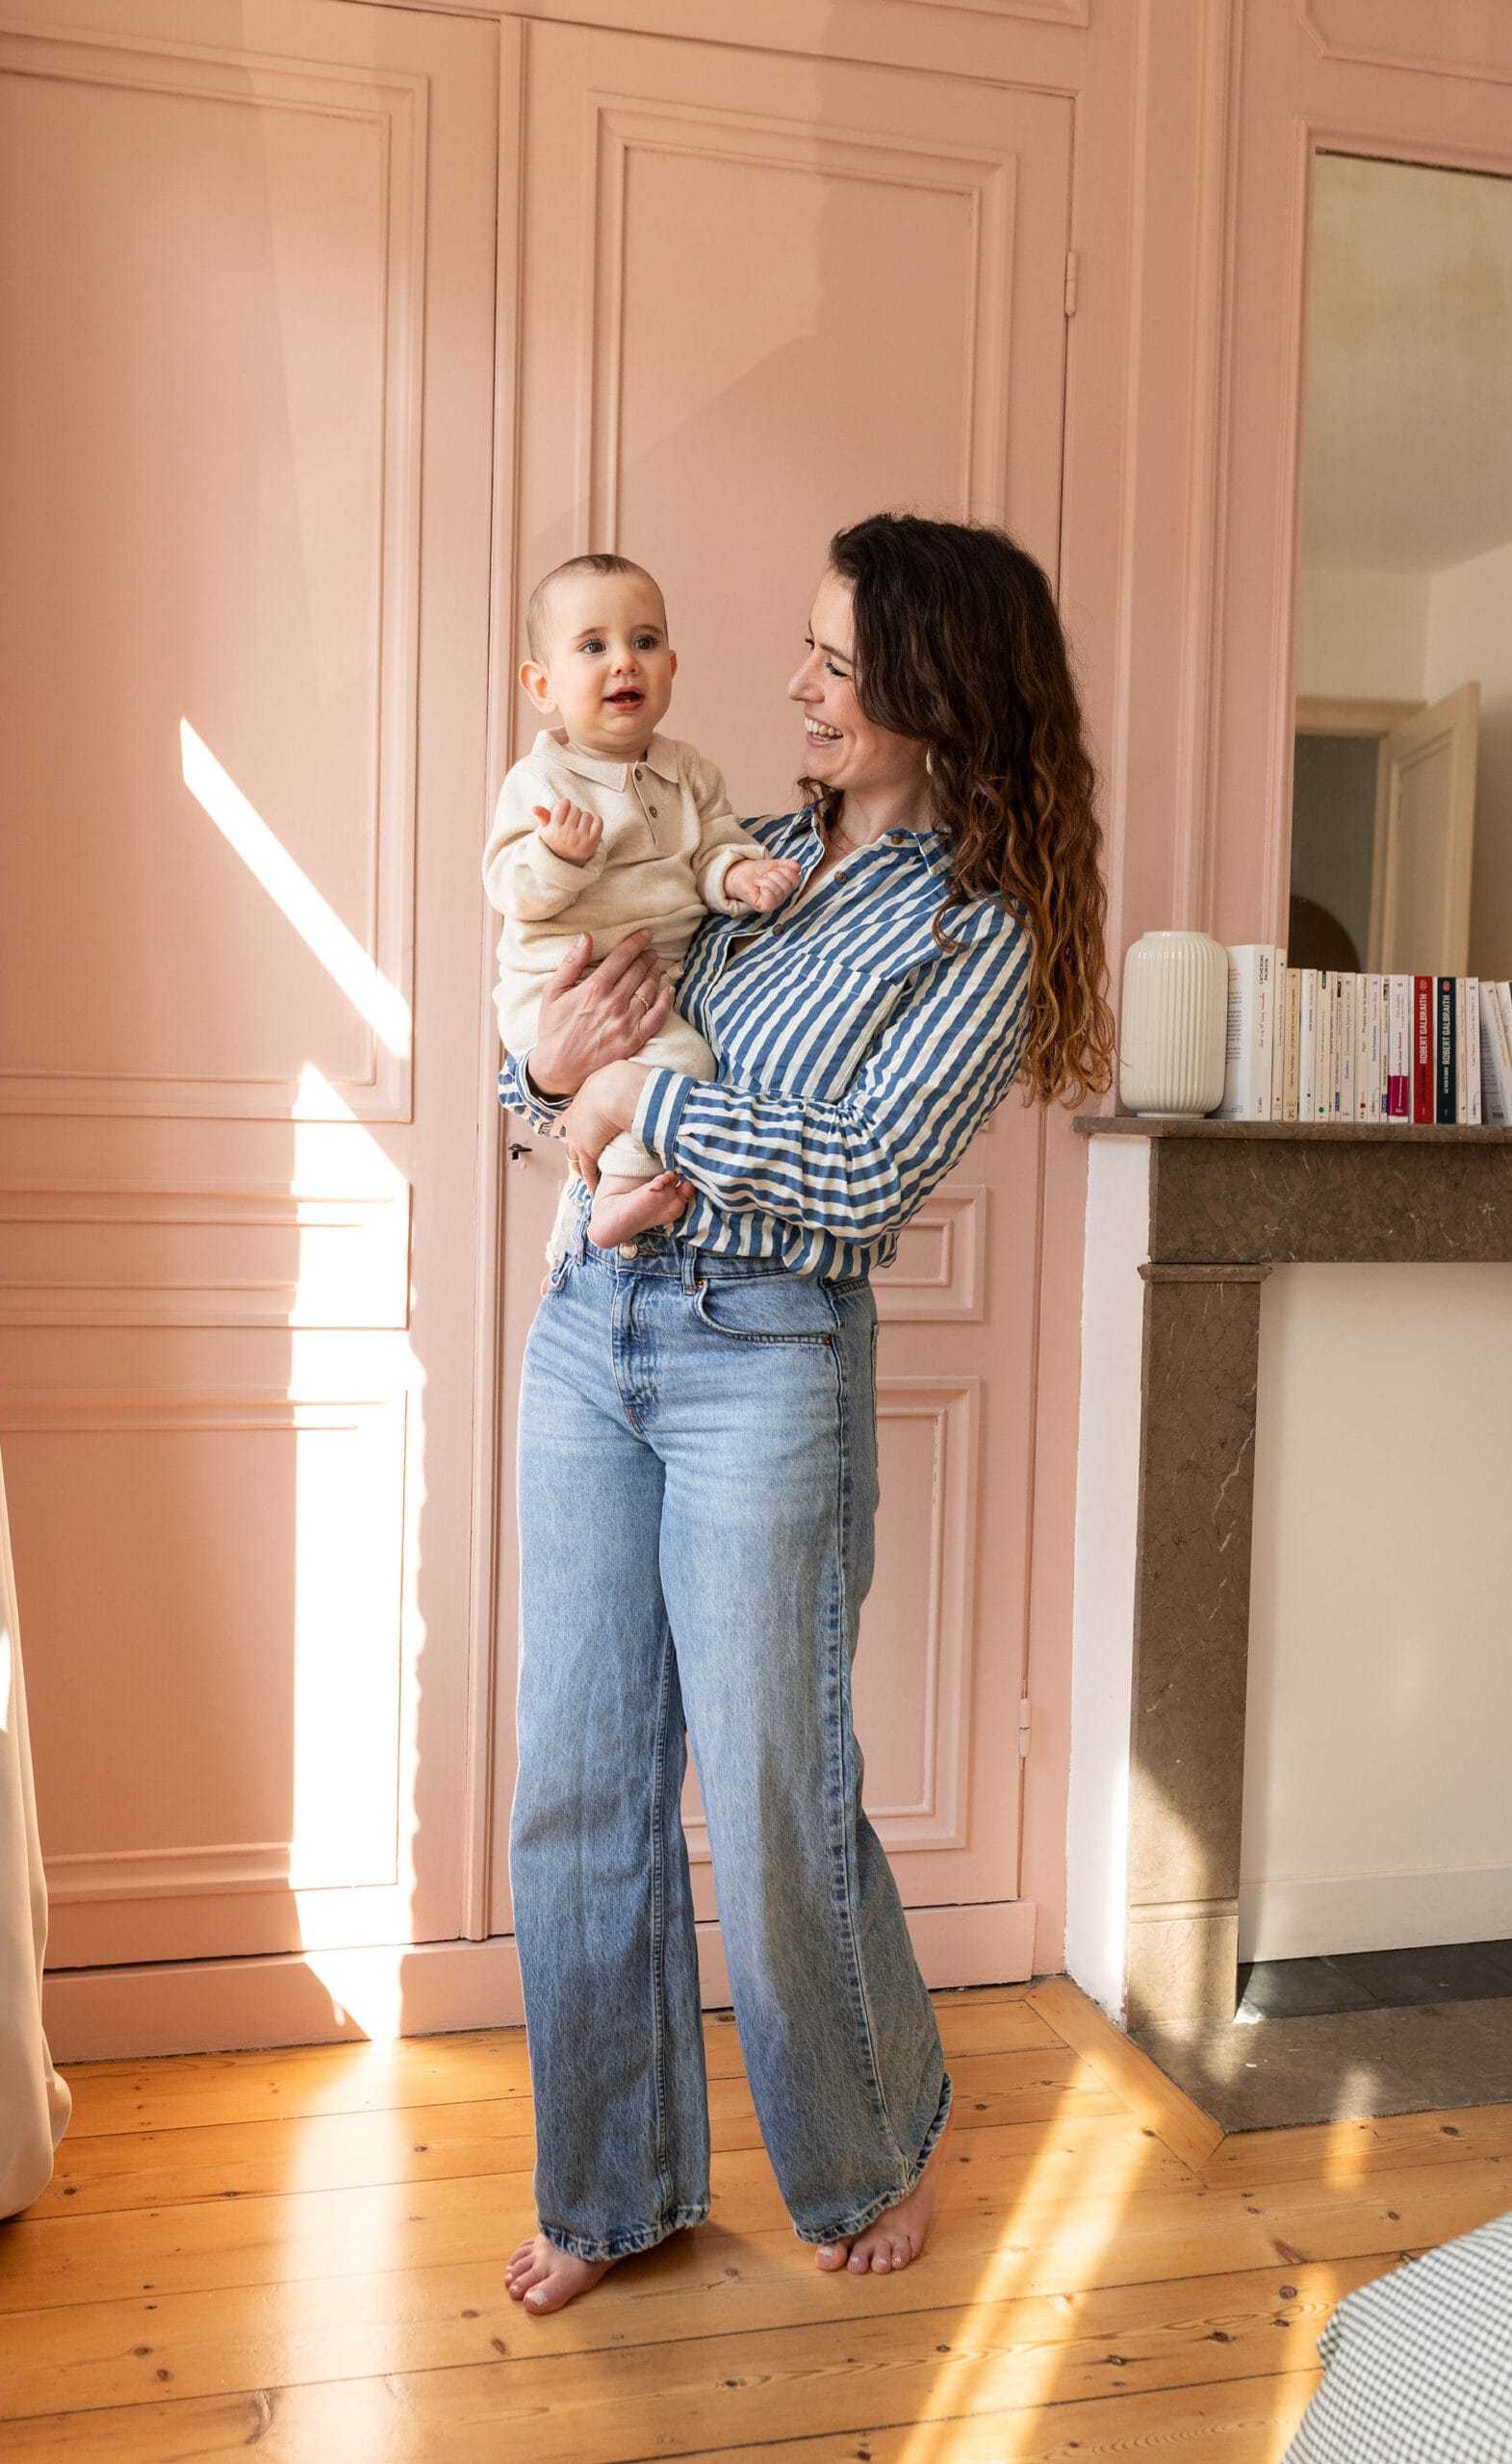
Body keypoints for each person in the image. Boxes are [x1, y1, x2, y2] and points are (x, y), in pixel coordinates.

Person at [497, 513, 1114, 2318]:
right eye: (809, 654)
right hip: (589, 1326)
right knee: (578, 1786)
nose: (795, 689)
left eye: (836, 664)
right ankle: (610, 2193)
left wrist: (641, 1112)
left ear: (935, 686)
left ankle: (862, 2148)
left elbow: (856, 1177)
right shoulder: (730, 844)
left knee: (775, 1792)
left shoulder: (976, 930)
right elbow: (549, 1059)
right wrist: (547, 1070)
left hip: (763, 1361)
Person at [483, 553, 801, 1249]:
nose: (624, 661)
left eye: (644, 641)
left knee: (668, 1067)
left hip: (652, 984)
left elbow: (712, 847)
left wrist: (738, 875)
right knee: (685, 1064)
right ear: (542, 685)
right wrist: (557, 857)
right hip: (557, 989)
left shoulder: (689, 772)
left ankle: (602, 1191)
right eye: (593, 646)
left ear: (671, 668)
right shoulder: (540, 780)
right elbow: (508, 885)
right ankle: (616, 1193)